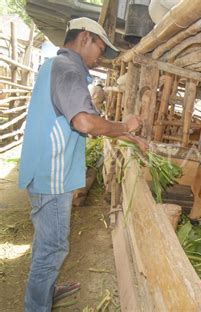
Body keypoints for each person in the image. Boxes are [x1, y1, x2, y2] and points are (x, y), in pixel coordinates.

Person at [18, 17, 148, 311]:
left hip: (45, 170)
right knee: (53, 248)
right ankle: (36, 305)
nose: (100, 56)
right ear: (85, 38)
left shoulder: (57, 66)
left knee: (47, 242)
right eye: (101, 47)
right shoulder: (68, 70)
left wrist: (125, 133)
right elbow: (85, 121)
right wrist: (126, 125)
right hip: (51, 175)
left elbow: (83, 124)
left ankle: (45, 290)